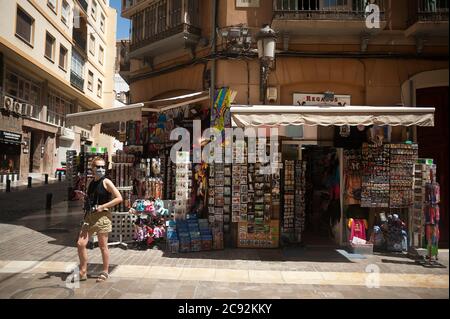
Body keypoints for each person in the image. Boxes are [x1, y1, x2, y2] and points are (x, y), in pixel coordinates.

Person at [77, 157, 122, 283]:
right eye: (98, 167)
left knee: (103, 246)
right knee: (81, 243)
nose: (101, 169)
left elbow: (119, 198)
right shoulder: (90, 182)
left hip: (102, 217)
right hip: (89, 216)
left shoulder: (106, 182)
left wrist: (103, 206)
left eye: (103, 167)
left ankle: (105, 271)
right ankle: (83, 270)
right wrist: (83, 198)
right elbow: (90, 200)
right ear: (92, 168)